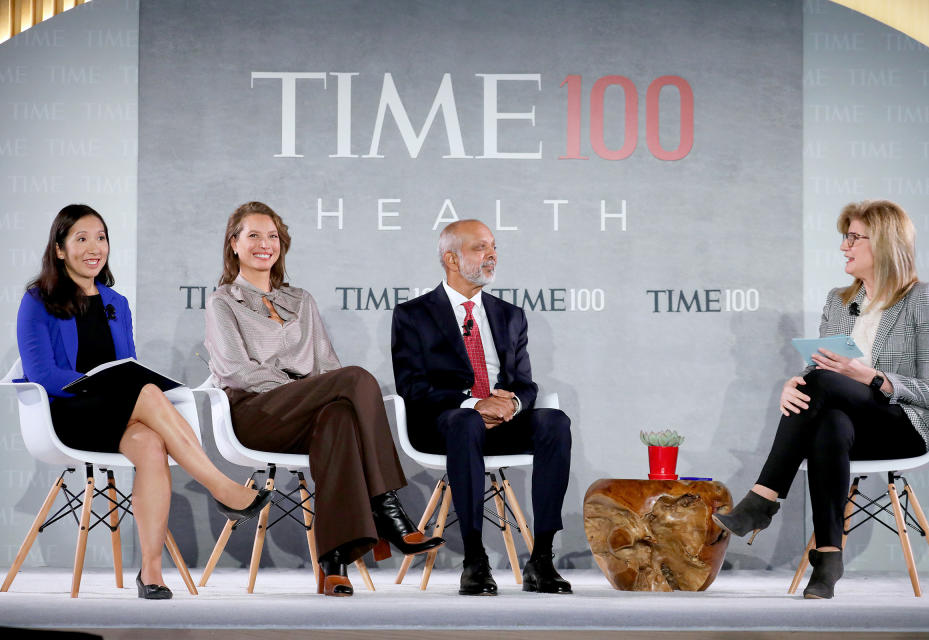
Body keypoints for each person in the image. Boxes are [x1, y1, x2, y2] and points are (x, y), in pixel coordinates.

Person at [16, 204, 271, 600]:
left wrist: (117, 383)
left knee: (152, 444)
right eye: (81, 239)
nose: (93, 247)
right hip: (67, 413)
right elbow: (41, 373)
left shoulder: (116, 302)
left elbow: (127, 365)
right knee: (148, 393)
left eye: (100, 238)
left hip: (115, 414)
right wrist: (95, 383)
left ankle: (151, 572)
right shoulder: (38, 300)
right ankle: (221, 486)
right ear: (60, 249)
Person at [713, 200, 929, 599]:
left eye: (855, 237)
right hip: (847, 425)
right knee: (830, 424)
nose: (845, 246)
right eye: (846, 237)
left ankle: (763, 498)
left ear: (887, 243)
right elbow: (819, 372)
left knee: (825, 391)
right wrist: (796, 383)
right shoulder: (838, 302)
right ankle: (827, 560)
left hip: (903, 426)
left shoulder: (923, 299)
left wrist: (872, 377)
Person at [204, 201, 443, 597]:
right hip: (255, 414)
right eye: (254, 235)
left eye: (273, 236)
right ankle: (387, 508)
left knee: (339, 419)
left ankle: (333, 562)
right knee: (357, 379)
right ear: (233, 244)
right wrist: (296, 386)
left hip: (307, 413)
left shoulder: (301, 300)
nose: (265, 244)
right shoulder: (224, 301)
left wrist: (313, 390)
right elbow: (234, 369)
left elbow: (327, 367)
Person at [391, 219, 573, 596]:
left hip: (504, 422)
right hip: (447, 424)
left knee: (554, 421)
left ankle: (542, 559)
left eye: (493, 247)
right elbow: (413, 387)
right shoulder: (413, 315)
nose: (491, 255)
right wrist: (476, 404)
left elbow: (524, 381)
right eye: (480, 248)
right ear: (451, 259)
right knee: (465, 421)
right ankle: (474, 558)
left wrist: (513, 404)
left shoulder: (510, 315)